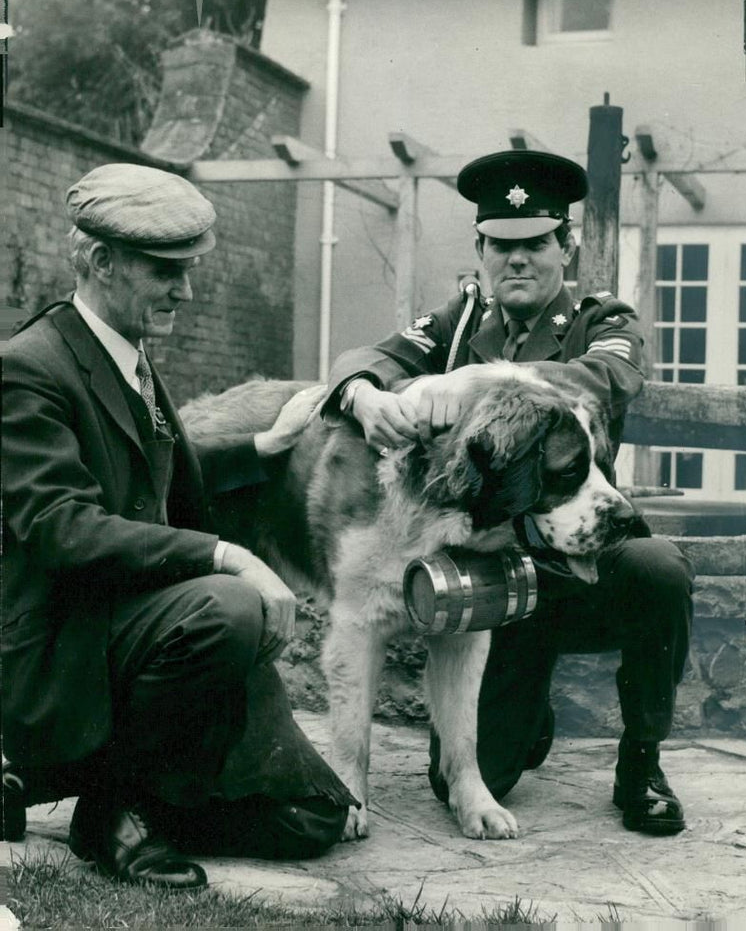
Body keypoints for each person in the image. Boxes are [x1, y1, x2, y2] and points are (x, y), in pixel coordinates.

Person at [1, 163, 355, 889]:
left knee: (313, 817)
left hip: (136, 625)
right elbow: (63, 527)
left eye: (189, 270)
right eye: (166, 270)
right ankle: (109, 810)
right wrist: (226, 555)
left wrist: (262, 446)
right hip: (66, 648)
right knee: (228, 605)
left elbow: (152, 467)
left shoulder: (124, 353)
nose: (185, 291)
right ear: (101, 261)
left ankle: (134, 800)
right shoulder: (27, 368)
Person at [322, 149, 694, 836]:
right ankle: (528, 719)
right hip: (491, 577)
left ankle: (642, 763)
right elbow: (364, 356)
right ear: (481, 251)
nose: (516, 260)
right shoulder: (460, 320)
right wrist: (363, 393)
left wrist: (464, 386)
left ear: (566, 247)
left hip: (578, 554)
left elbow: (600, 380)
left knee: (660, 570)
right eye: (501, 245)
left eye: (535, 245)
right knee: (461, 783)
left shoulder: (603, 318)